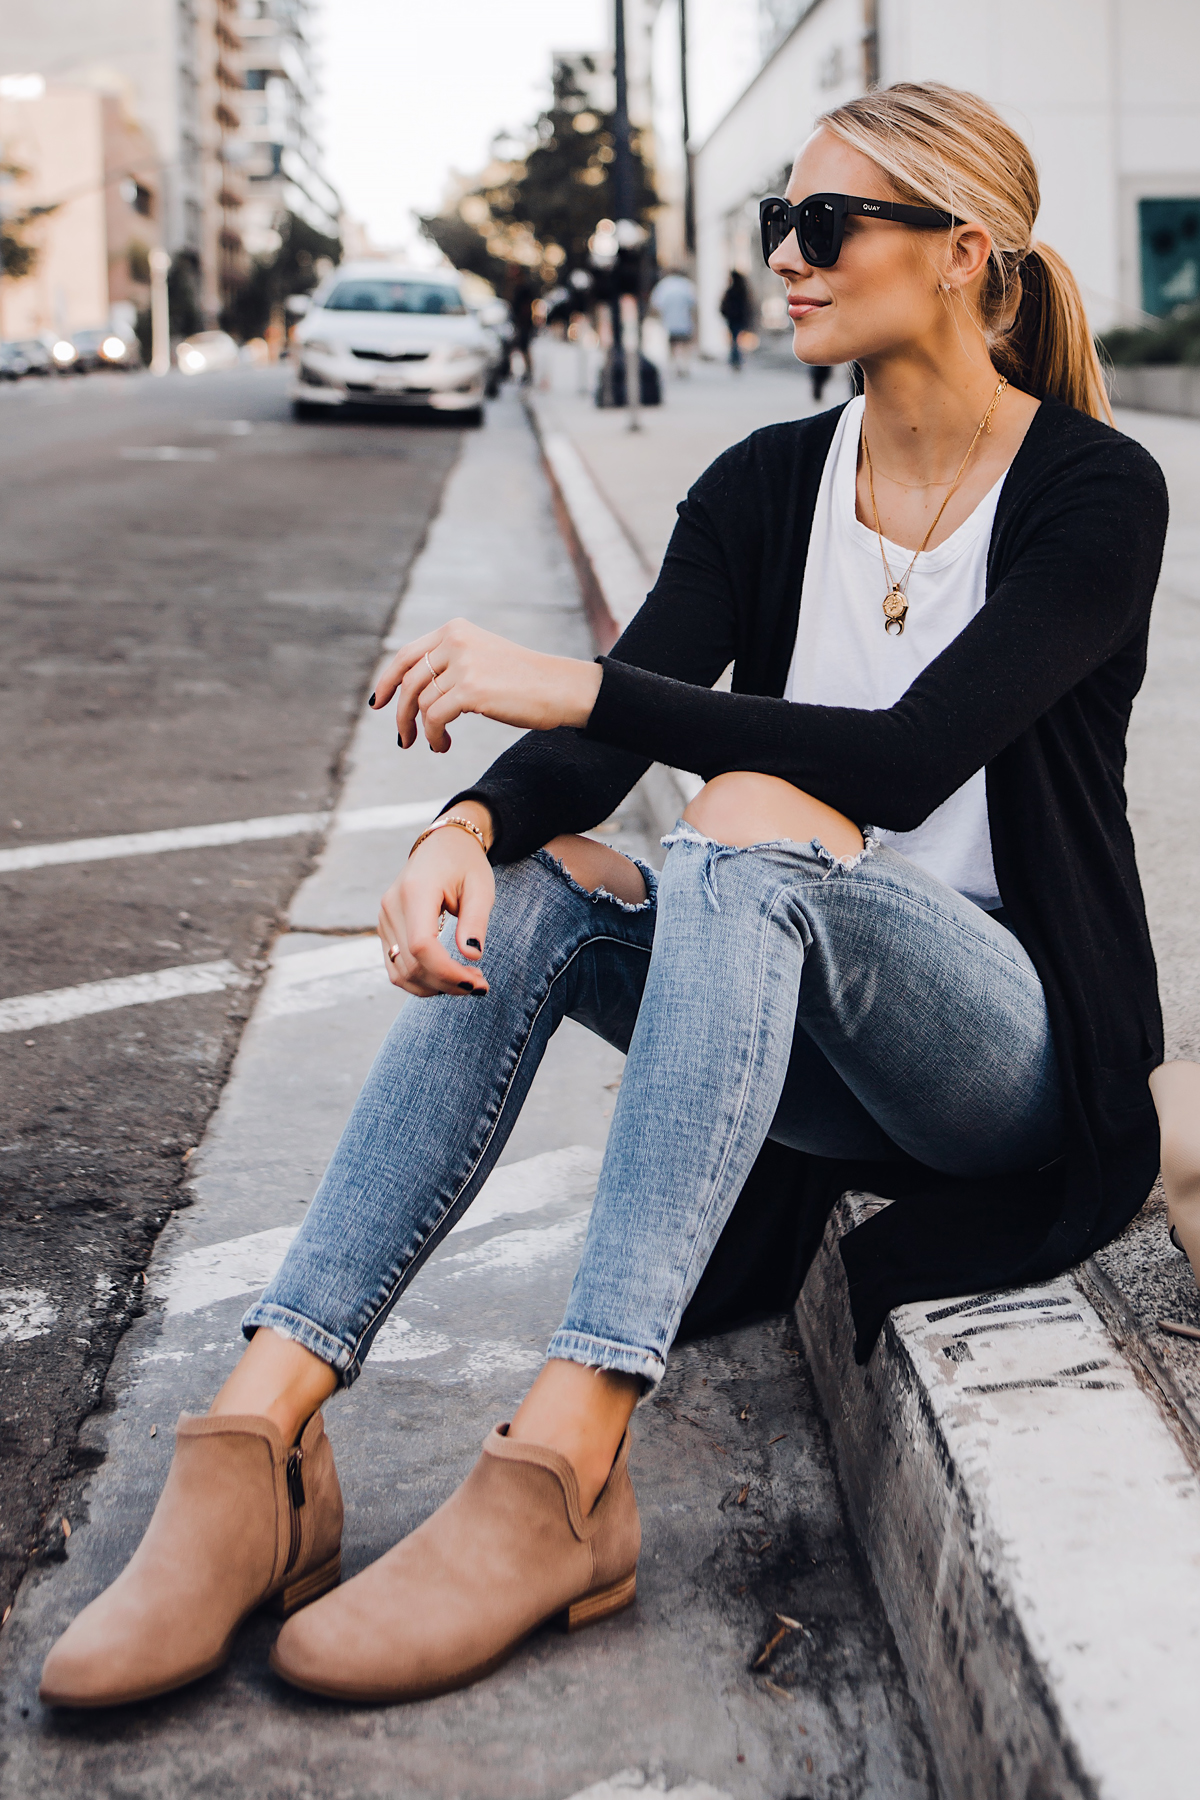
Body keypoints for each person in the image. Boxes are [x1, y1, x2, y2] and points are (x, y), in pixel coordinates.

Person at [42, 81, 1173, 1712]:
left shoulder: (1090, 492)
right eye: (775, 222)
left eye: (825, 224)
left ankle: (567, 1467)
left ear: (959, 253)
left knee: (750, 812)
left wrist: (570, 691)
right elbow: (604, 734)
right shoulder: (767, 485)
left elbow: (909, 759)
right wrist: (469, 822)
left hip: (1002, 1059)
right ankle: (257, 1440)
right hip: (783, 1014)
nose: (785, 256)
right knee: (555, 879)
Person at [649, 268, 697, 374]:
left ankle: (676, 364)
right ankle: (684, 365)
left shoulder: (664, 285)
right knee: (685, 344)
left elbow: (656, 304)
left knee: (673, 344)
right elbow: (693, 304)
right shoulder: (686, 285)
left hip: (669, 322)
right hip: (685, 320)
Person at [719, 269, 751, 368]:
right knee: (736, 339)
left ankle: (734, 359)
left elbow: (724, 306)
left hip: (732, 319)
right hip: (739, 318)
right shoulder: (743, 291)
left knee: (734, 339)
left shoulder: (730, 292)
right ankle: (736, 359)